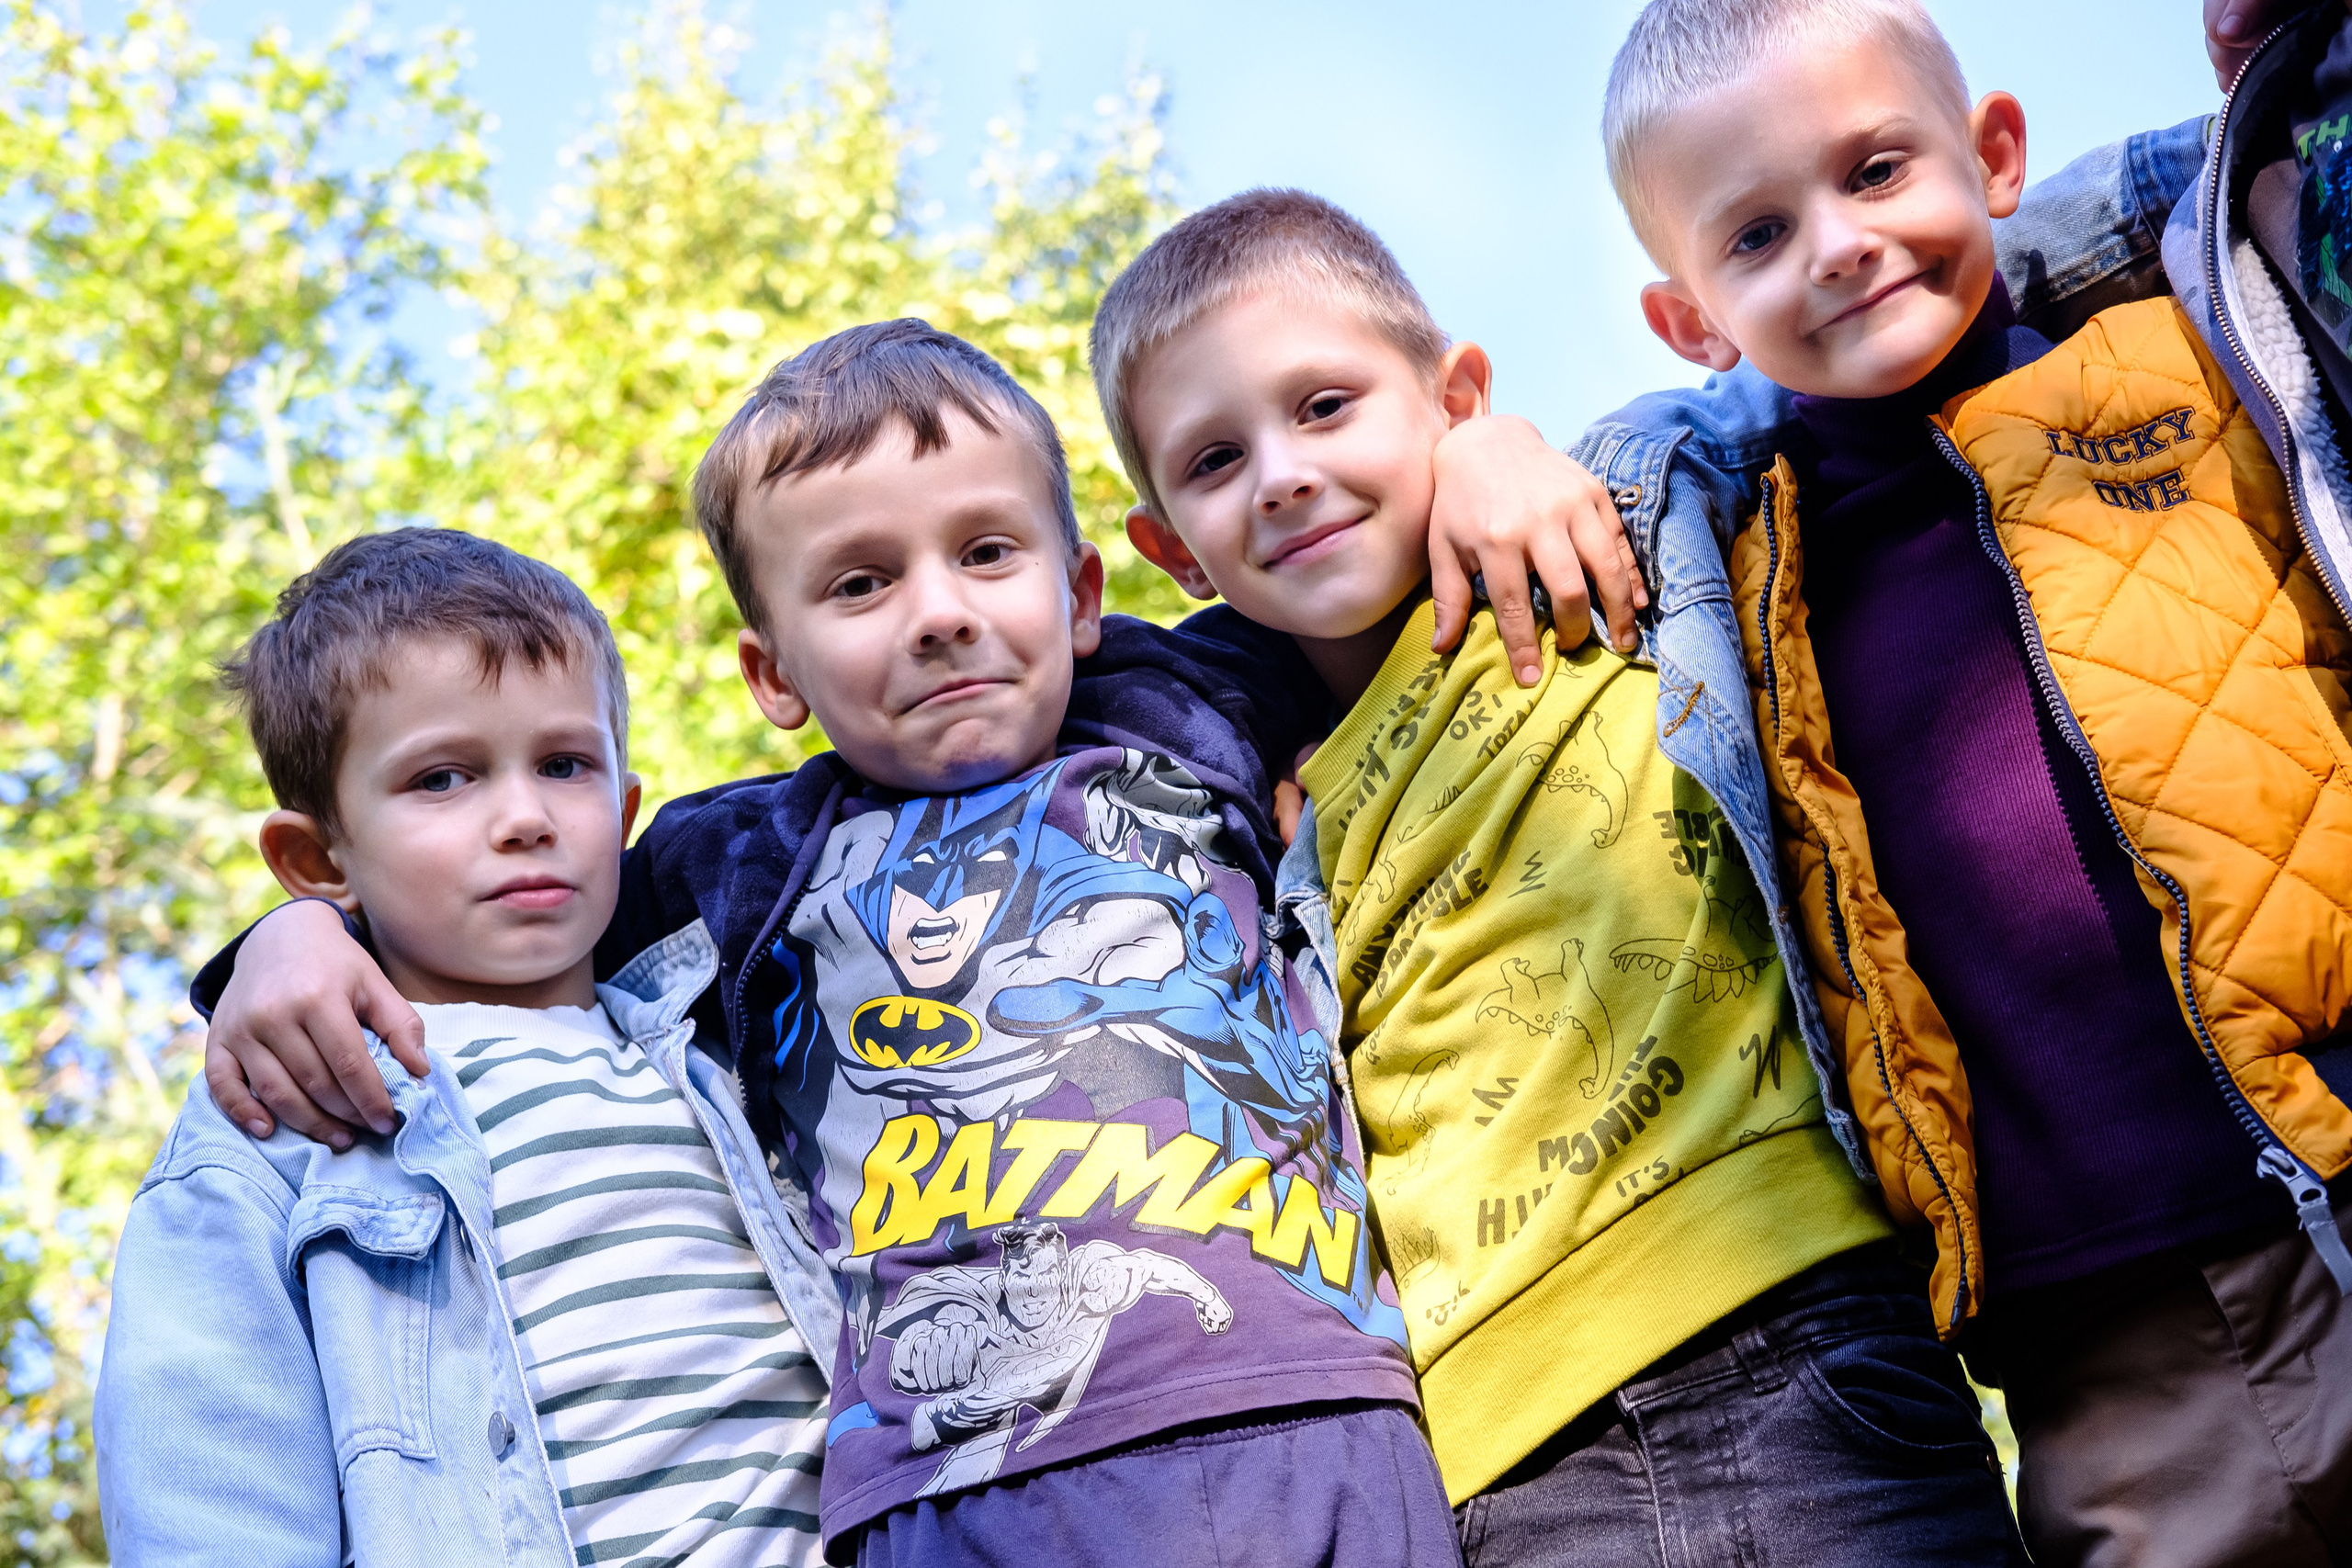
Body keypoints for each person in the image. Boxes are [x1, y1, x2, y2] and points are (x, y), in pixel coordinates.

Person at [181, 320, 1647, 1565]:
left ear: (1080, 593)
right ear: (774, 670)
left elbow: (1358, 570)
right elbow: (485, 911)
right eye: (861, 584)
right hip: (948, 1492)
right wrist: (289, 941)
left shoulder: (1181, 703)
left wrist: (1487, 450)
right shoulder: (732, 860)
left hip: (1305, 1407)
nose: (941, 613)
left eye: (988, 551)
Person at [1092, 186, 2030, 1566]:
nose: (1281, 472)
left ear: (1454, 392)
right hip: (1509, 1453)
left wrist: (1506, 451)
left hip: (1807, 1333)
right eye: (1215, 458)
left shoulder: (1610, 535)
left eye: (1327, 405)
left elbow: (1817, 375)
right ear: (1169, 543)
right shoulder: (1244, 800)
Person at [1562, 1, 2352, 1562]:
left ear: (1993, 154)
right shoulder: (1731, 563)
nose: (1842, 245)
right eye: (1763, 232)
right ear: (1691, 317)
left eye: (1875, 171)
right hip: (2095, 1331)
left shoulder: (2183, 344)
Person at [96, 528, 835, 1566]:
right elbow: (207, 1494)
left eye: (565, 765)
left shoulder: (732, 1043)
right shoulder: (281, 1120)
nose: (524, 817)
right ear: (317, 858)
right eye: (443, 779)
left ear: (623, 815)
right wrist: (282, 940)